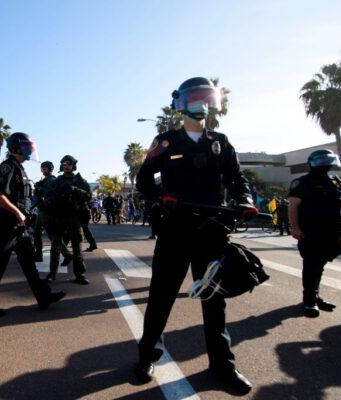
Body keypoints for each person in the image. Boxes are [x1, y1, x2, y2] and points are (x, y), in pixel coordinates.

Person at [134, 77, 258, 394]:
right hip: (175, 229)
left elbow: (237, 178)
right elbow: (144, 180)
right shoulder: (165, 141)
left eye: (207, 98)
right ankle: (147, 357)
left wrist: (245, 200)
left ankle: (222, 367)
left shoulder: (221, 141)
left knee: (214, 302)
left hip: (212, 231)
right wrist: (161, 196)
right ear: (180, 104)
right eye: (195, 98)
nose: (201, 104)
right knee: (161, 298)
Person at [0, 133, 66, 316]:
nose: (30, 150)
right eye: (26, 146)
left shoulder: (19, 168)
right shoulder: (7, 167)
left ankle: (43, 296)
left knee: (30, 265)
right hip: (6, 226)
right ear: (15, 147)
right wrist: (17, 212)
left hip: (19, 227)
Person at [288, 149, 341, 318]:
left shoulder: (335, 182)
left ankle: (314, 296)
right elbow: (293, 206)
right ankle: (309, 301)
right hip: (310, 232)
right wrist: (295, 228)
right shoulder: (302, 182)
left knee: (319, 266)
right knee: (311, 266)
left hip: (332, 232)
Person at [45, 155, 92, 284]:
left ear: (73, 166)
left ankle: (80, 275)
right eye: (64, 164)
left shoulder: (80, 180)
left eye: (69, 164)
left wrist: (75, 190)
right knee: (56, 245)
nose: (66, 166)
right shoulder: (57, 181)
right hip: (59, 217)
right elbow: (48, 196)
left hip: (74, 216)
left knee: (77, 246)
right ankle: (52, 273)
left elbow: (88, 197)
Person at [33, 161, 72, 264]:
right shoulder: (45, 180)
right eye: (42, 168)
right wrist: (37, 188)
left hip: (48, 211)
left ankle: (67, 254)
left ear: (50, 169)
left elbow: (50, 194)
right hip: (41, 210)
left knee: (52, 236)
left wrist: (40, 189)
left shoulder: (52, 180)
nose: (43, 170)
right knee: (36, 234)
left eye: (45, 168)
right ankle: (38, 255)